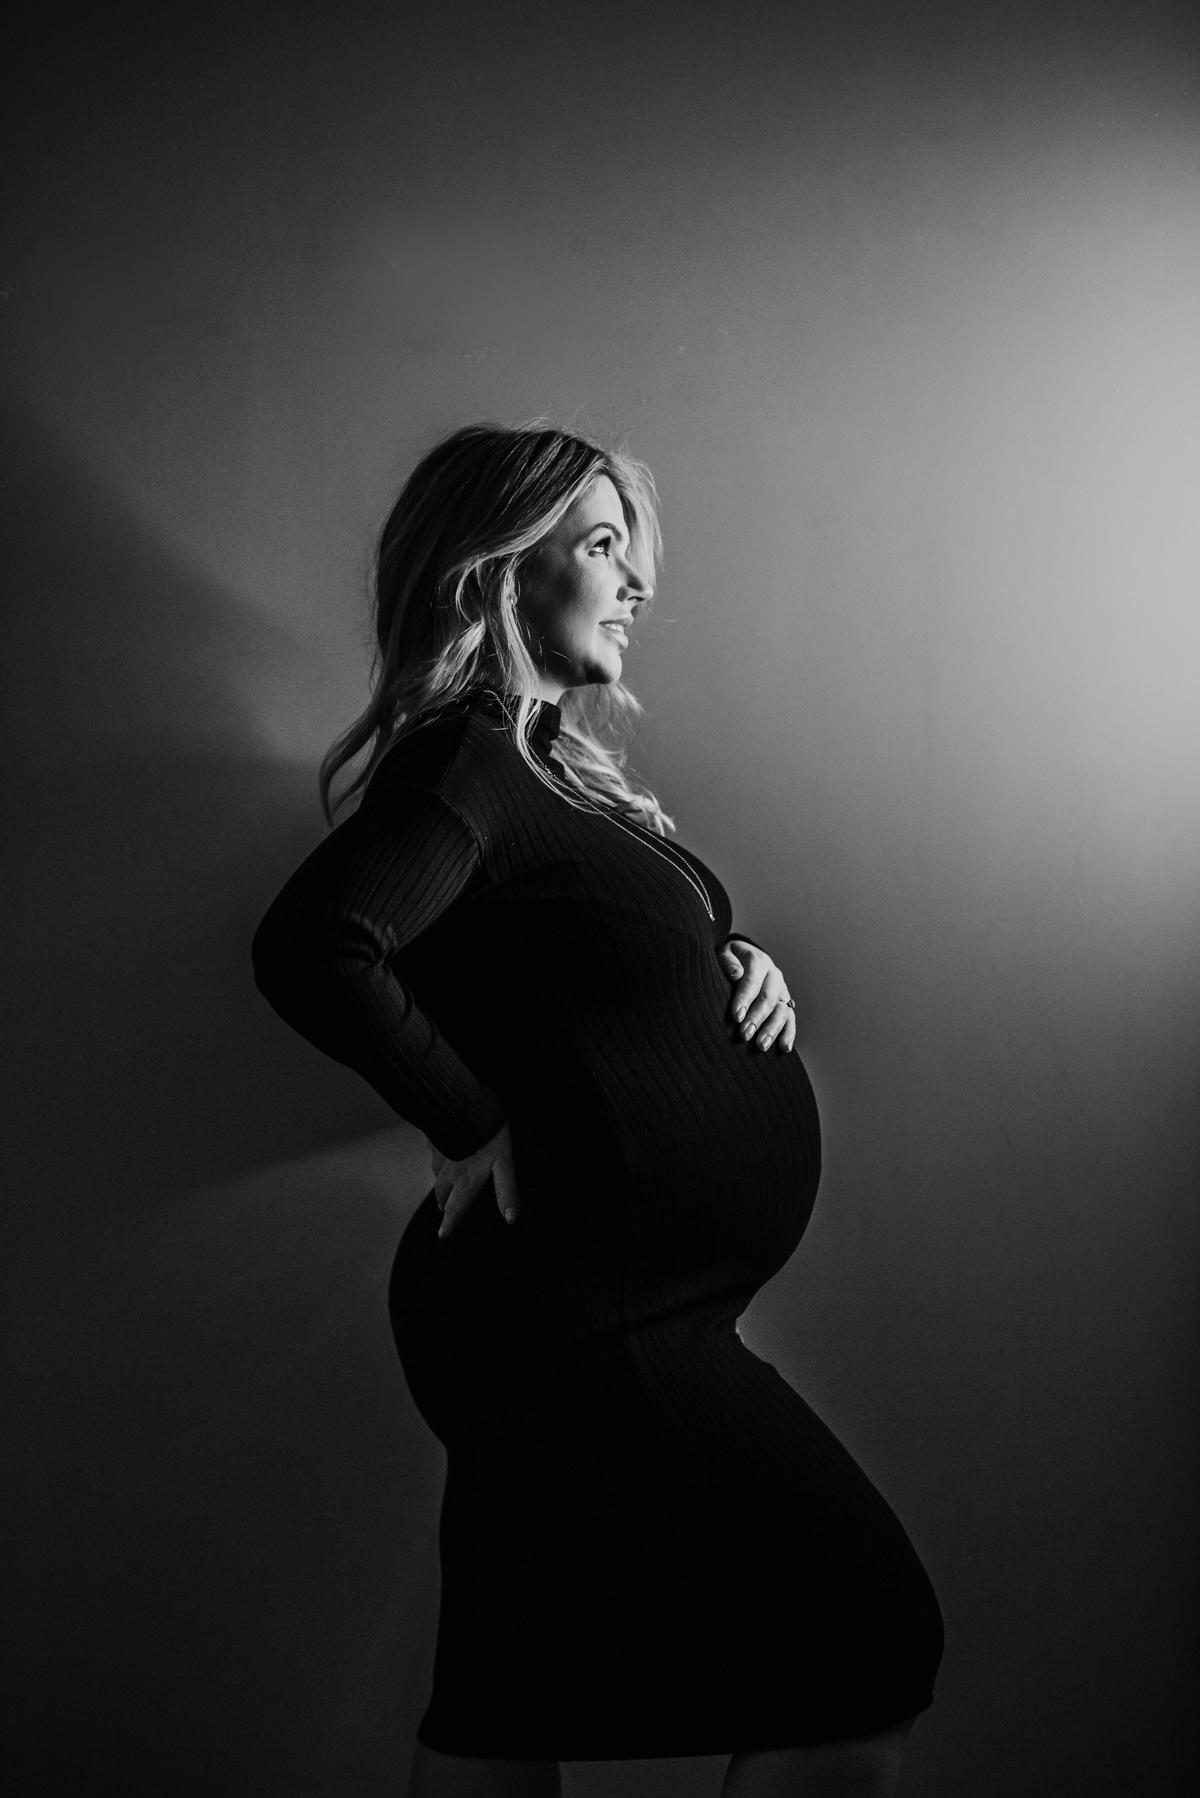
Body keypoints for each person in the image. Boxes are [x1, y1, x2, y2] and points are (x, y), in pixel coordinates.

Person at [251, 423, 943, 1798]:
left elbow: (576, 958)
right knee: (869, 1634)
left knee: (503, 1697)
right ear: (496, 571)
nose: (639, 584)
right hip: (573, 1316)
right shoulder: (466, 763)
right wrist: (464, 1116)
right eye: (604, 545)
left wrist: (729, 957)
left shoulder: (546, 773)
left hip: (577, 1310)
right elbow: (318, 946)